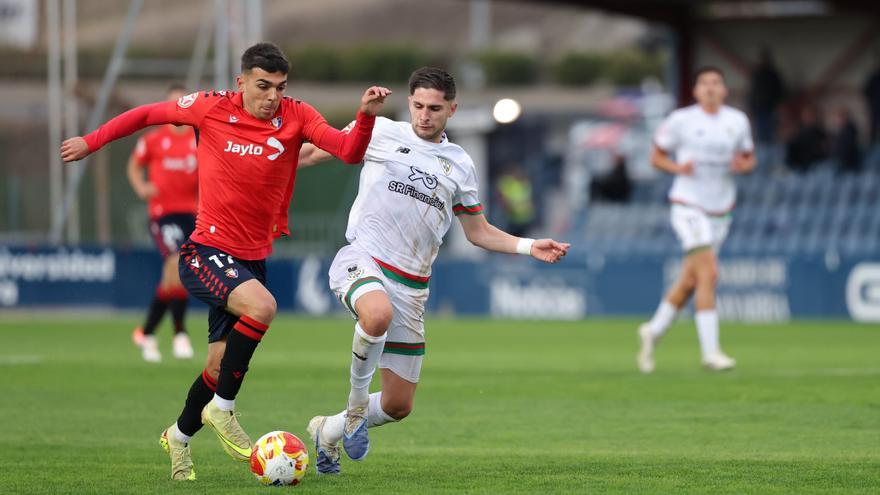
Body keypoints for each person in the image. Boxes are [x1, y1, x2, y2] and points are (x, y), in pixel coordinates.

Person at [60, 42, 390, 481]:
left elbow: (348, 151)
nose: (272, 96)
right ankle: (224, 409)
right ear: (241, 82)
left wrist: (365, 115)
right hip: (205, 251)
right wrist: (92, 140)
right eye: (262, 86)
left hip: (251, 260)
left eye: (279, 87)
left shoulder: (298, 115)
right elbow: (144, 115)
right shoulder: (209, 107)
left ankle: (177, 437)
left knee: (218, 367)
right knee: (263, 307)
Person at [296, 67, 570, 475]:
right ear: (409, 104)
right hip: (363, 259)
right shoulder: (379, 131)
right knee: (376, 314)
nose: (425, 115)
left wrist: (530, 246)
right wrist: (255, 171)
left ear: (452, 109)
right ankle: (355, 408)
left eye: (435, 108)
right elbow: (310, 153)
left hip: (412, 288)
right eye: (419, 106)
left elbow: (477, 232)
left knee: (397, 405)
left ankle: (329, 431)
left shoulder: (459, 164)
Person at [637, 67, 755, 374]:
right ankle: (711, 353)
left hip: (722, 209)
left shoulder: (737, 121)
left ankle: (653, 330)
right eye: (705, 84)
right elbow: (656, 157)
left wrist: (741, 166)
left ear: (725, 90)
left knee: (691, 279)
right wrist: (678, 168)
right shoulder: (681, 120)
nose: (711, 88)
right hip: (688, 205)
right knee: (709, 273)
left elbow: (749, 158)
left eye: (717, 83)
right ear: (696, 91)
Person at [127, 84, 198, 363]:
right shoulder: (154, 139)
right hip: (162, 213)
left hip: (191, 214)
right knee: (174, 265)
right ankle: (180, 333)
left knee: (176, 275)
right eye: (172, 104)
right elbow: (134, 164)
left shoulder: (197, 139)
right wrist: (141, 187)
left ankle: (146, 332)